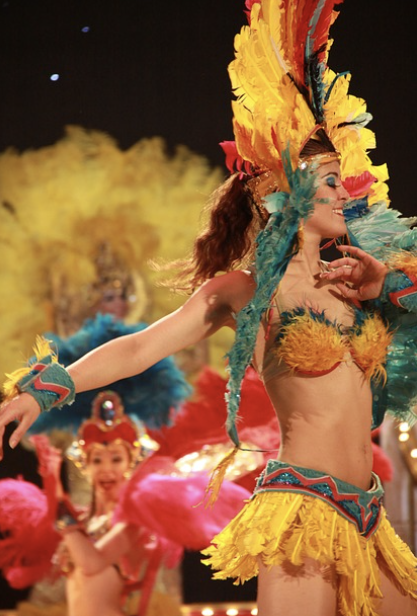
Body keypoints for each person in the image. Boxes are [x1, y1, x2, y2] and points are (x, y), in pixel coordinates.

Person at [1, 0, 417, 614]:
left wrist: (387, 286)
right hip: (304, 509)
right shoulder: (247, 292)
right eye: (328, 180)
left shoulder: (356, 282)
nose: (342, 192)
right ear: (287, 191)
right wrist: (46, 388)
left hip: (370, 515)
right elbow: (141, 347)